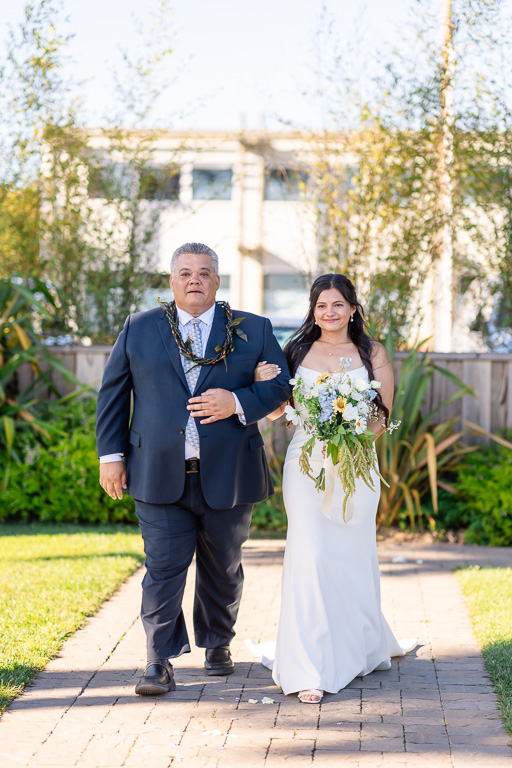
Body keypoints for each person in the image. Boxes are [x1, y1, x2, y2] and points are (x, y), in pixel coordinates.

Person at [96, 242, 291, 696]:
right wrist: (111, 456)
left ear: (217, 282)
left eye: (204, 272)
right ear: (172, 282)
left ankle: (218, 642)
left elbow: (282, 387)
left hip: (230, 471)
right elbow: (112, 395)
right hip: (156, 469)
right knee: (162, 568)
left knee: (223, 567)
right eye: (185, 273)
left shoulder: (253, 330)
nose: (194, 280)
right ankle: (158, 661)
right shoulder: (139, 328)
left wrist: (237, 401)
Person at [255, 273, 414, 704]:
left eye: (338, 304)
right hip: (305, 464)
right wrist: (261, 381)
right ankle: (307, 665)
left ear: (353, 308)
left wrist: (351, 438)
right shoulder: (295, 350)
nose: (330, 312)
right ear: (313, 309)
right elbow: (275, 409)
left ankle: (356, 646)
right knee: (309, 553)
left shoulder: (372, 352)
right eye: (322, 305)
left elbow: (382, 415)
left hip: (357, 464)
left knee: (350, 554)